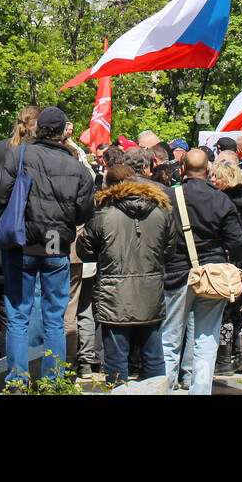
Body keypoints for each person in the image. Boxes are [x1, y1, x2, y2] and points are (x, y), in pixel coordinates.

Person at [0, 107, 95, 384]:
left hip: (22, 241)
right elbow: (84, 213)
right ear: (62, 132)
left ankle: (17, 381)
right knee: (54, 319)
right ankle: (53, 382)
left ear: (39, 129)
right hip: (55, 243)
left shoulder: (19, 154)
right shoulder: (76, 166)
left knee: (18, 316)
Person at [76, 165, 175, 387]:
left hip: (114, 293)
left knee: (116, 358)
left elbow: (85, 251)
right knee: (153, 355)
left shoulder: (103, 213)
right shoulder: (160, 210)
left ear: (109, 186)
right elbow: (169, 251)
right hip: (149, 291)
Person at [160, 148, 242, 395]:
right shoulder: (221, 200)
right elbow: (237, 243)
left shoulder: (167, 197)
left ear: (182, 169)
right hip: (212, 275)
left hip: (176, 274)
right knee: (207, 341)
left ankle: (164, 389)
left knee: (169, 340)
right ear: (208, 169)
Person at [210, 160, 242, 375]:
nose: (212, 180)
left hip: (228, 257)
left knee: (226, 309)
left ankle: (224, 359)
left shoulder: (220, 202)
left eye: (216, 177)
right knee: (239, 308)